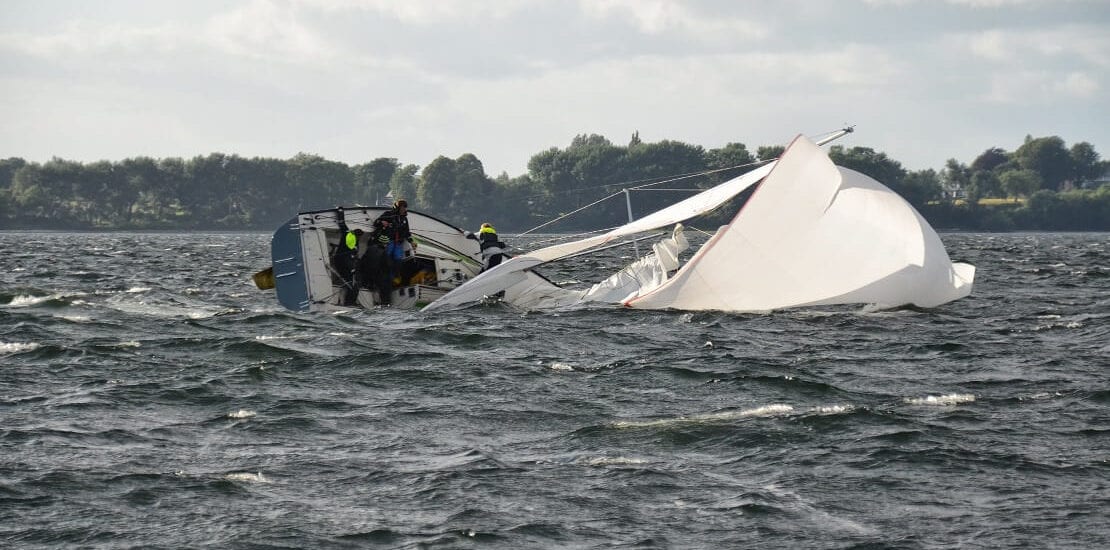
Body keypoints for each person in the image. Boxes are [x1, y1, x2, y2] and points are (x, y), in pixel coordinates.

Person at [366, 199, 416, 305]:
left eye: (405, 208)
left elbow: (407, 233)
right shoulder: (388, 214)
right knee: (386, 259)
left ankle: (393, 277)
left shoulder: (404, 219)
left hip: (398, 243)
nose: (404, 210)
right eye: (402, 207)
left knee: (398, 260)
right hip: (389, 241)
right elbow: (376, 223)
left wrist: (412, 242)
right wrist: (382, 222)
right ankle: (383, 276)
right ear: (398, 208)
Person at [332, 225, 361, 306]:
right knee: (353, 285)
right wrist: (352, 269)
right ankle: (349, 303)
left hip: (339, 260)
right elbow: (349, 259)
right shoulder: (353, 241)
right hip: (343, 263)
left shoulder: (347, 233)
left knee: (352, 283)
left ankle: (348, 302)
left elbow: (343, 225)